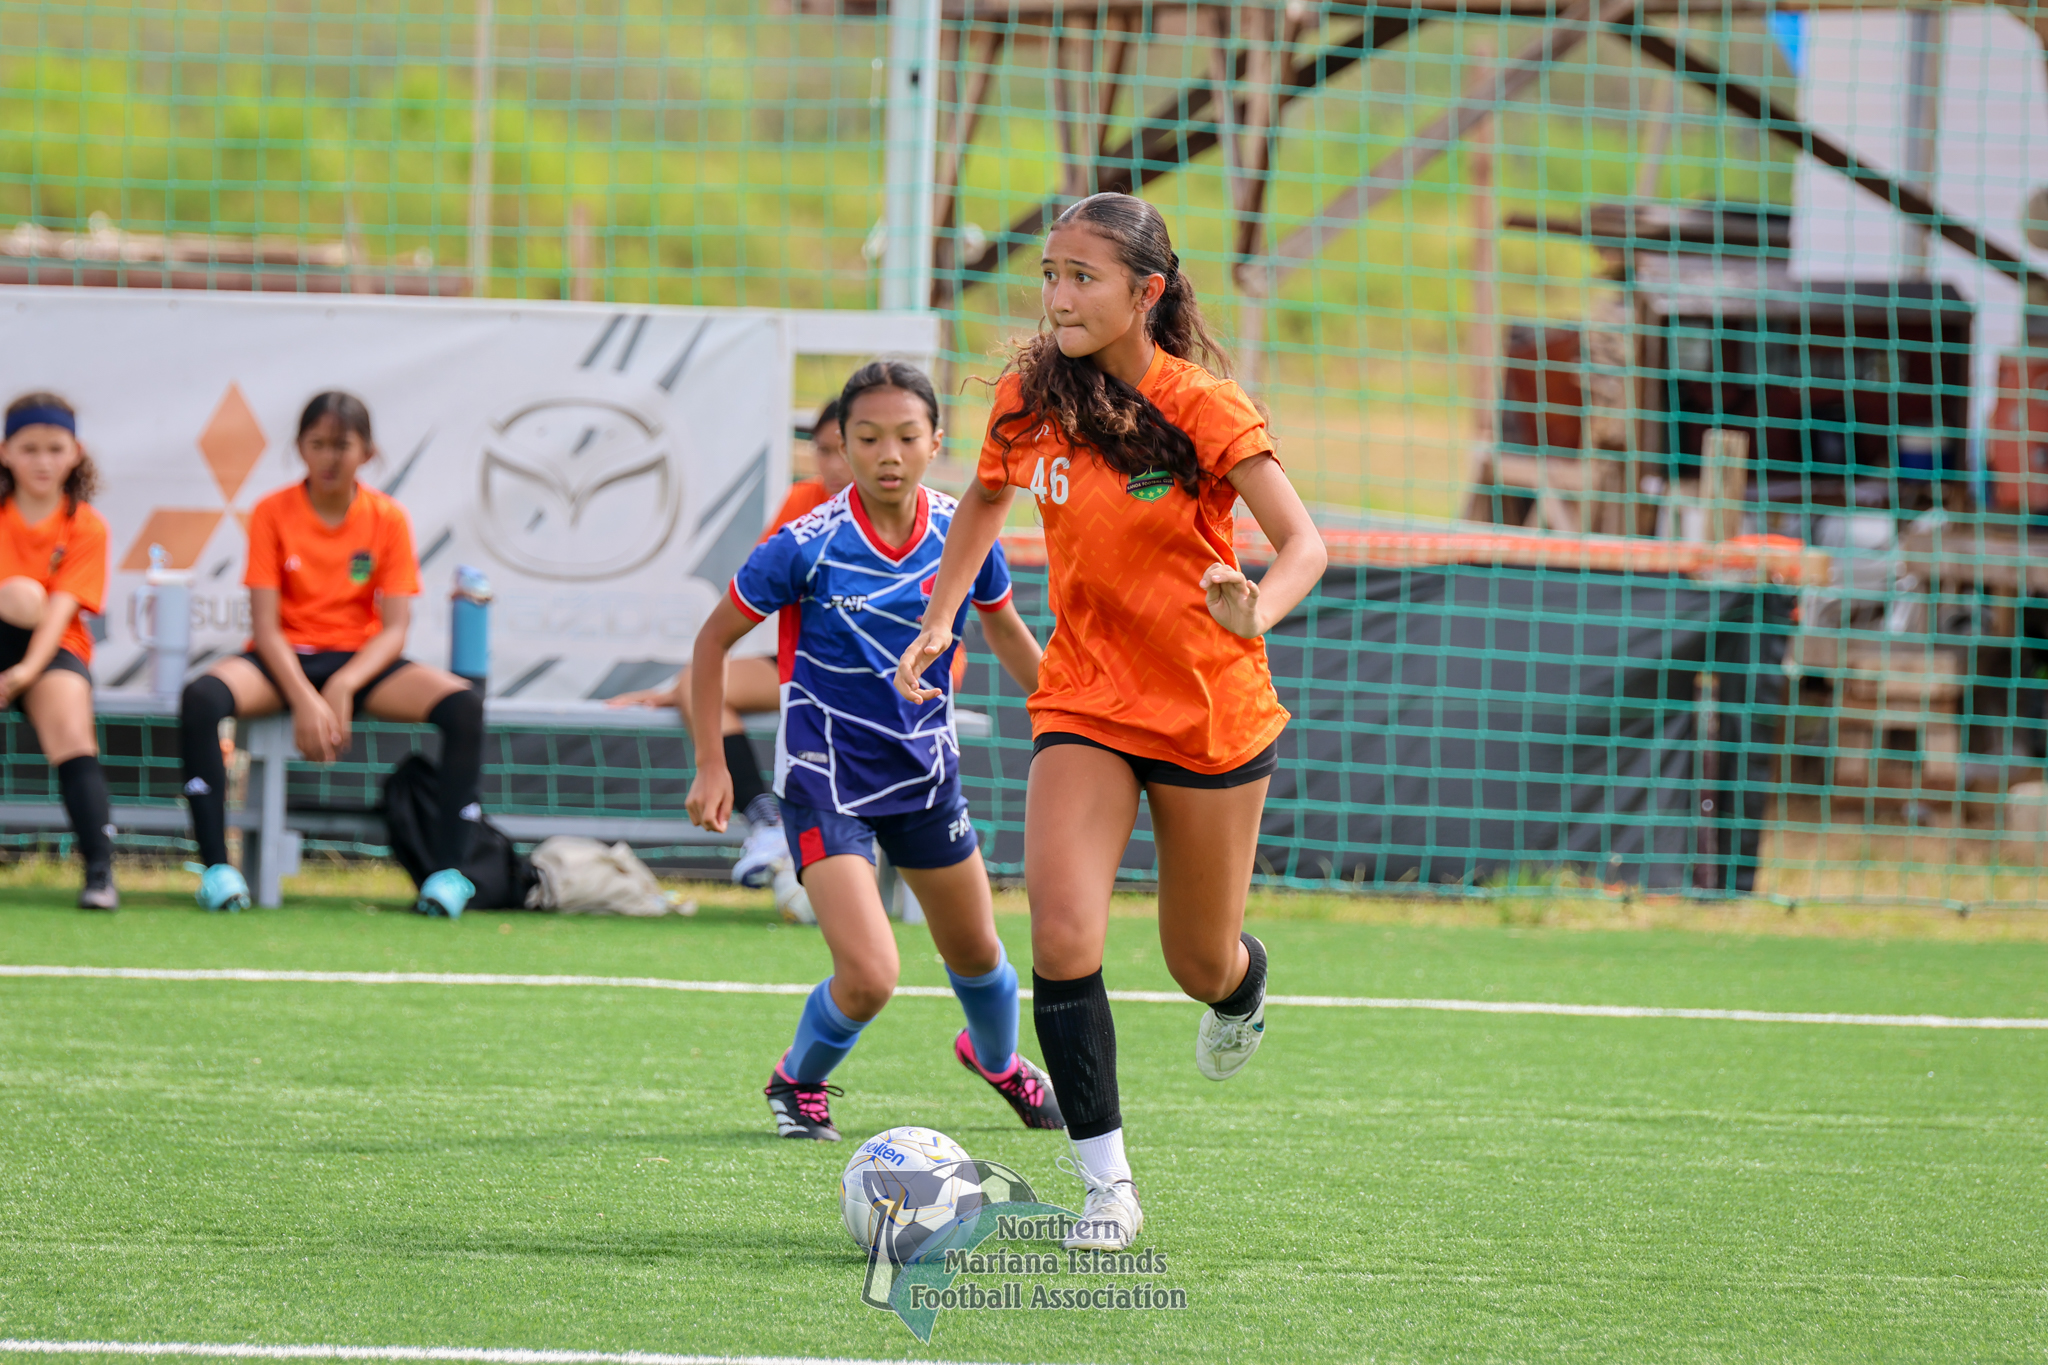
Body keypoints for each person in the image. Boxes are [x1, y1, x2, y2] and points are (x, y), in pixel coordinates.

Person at [894, 193, 1328, 1249]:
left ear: (1146, 293)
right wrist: (940, 618)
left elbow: (1305, 546)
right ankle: (1106, 1185)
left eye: (1081, 278)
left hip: (1207, 711)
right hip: (1084, 698)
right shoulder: (1025, 401)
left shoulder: (1205, 407)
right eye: (1048, 275)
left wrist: (1253, 608)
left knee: (1196, 961)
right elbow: (985, 502)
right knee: (1062, 929)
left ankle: (1241, 986)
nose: (1055, 297)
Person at [686, 360, 1058, 1142]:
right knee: (871, 975)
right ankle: (798, 1079)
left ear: (935, 442)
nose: (888, 452)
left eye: (906, 435)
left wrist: (1069, 713)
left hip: (926, 779)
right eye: (867, 437)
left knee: (983, 959)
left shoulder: (966, 531)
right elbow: (713, 641)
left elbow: (1007, 633)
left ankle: (997, 1061)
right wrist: (712, 764)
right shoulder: (804, 546)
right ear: (840, 447)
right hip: (827, 786)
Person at [179, 391, 488, 917]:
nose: (328, 457)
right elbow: (267, 627)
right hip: (284, 660)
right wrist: (304, 697)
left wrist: (343, 685)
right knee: (201, 697)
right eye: (316, 444)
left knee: (464, 707)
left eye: (341, 445)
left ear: (367, 451)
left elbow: (394, 631)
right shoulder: (272, 512)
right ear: (299, 447)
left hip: (362, 662)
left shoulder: (386, 518)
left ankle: (447, 875)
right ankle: (217, 869)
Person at [610, 398, 854, 904]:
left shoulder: (929, 517)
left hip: (891, 683)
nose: (835, 463)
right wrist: (684, 692)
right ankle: (768, 825)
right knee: (697, 685)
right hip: (808, 669)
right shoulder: (803, 503)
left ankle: (832, 852)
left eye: (849, 448)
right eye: (823, 450)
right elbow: (753, 594)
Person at [0, 393, 117, 909]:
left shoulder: (86, 525)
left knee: (72, 731)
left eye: (54, 448)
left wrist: (24, 671)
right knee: (19, 596)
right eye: (29, 448)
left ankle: (99, 872)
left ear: (76, 453)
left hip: (50, 647)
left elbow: (62, 609)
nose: (42, 461)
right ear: (6, 453)